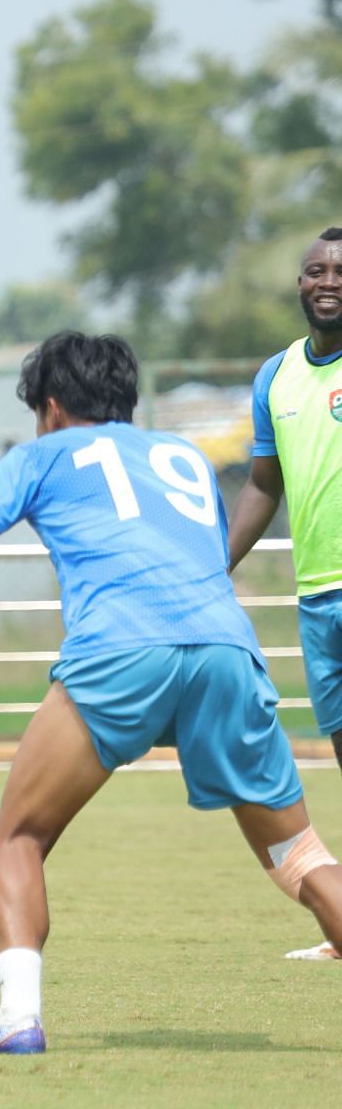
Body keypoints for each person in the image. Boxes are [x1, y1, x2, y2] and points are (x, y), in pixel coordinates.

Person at [0, 330, 342, 1054]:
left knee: (18, 838)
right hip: (226, 650)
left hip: (120, 651)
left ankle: (18, 1017)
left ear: (50, 406)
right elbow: (207, 553)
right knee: (300, 856)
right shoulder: (181, 456)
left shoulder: (41, 456)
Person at [227, 227, 342, 960]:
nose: (328, 280)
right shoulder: (275, 376)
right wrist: (211, 571)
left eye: (341, 270)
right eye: (314, 270)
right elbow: (263, 486)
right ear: (298, 284)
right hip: (316, 599)